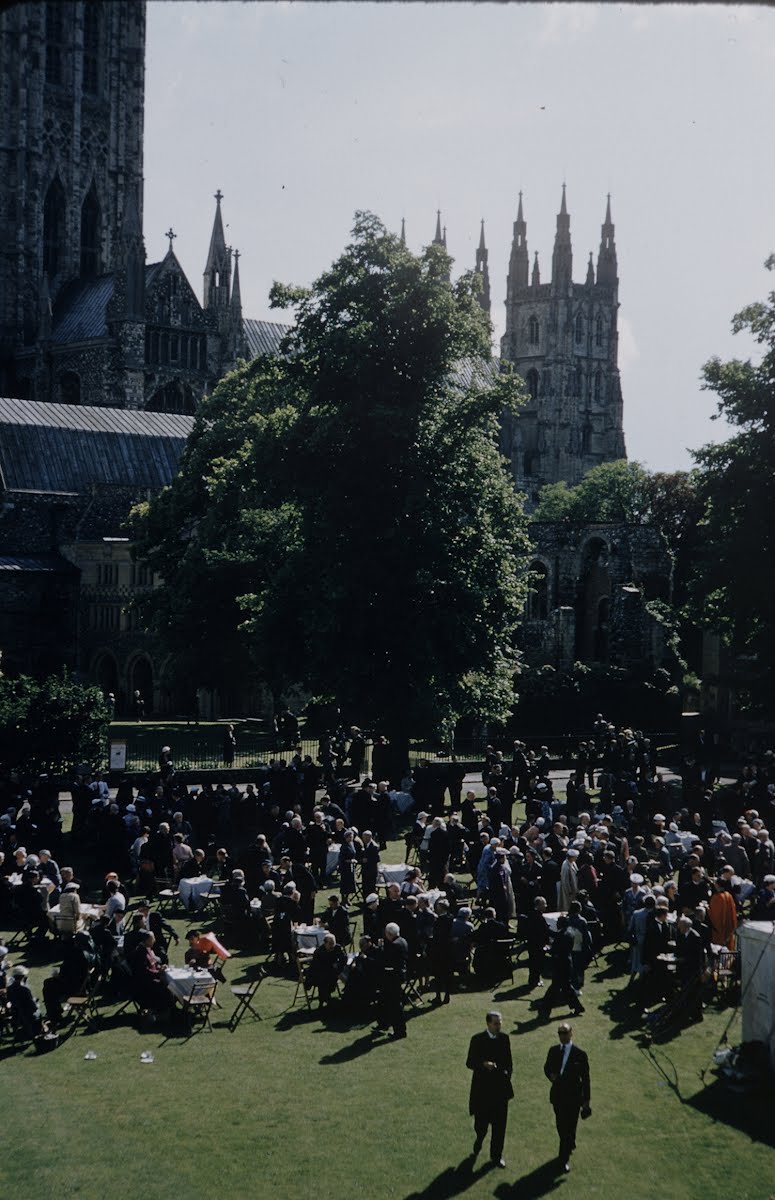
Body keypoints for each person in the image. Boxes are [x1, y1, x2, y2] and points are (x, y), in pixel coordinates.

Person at [466, 1010, 514, 1170]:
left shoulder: (505, 1039)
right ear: (488, 1023)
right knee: (481, 1124)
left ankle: (496, 1156)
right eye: (496, 1023)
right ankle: (479, 1138)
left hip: (500, 1090)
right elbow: (470, 1062)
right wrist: (483, 1064)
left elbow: (509, 1063)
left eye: (500, 1023)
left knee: (500, 1126)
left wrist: (504, 1072)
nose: (499, 1026)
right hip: (482, 1091)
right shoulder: (477, 1040)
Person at [543, 1022, 591, 1173]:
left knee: (569, 1126)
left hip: (574, 1097)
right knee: (561, 1125)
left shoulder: (580, 1054)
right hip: (558, 1096)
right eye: (560, 1033)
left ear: (571, 1033)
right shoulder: (553, 1050)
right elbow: (546, 1067)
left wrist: (586, 1101)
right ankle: (569, 1142)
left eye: (565, 1033)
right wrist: (551, 1075)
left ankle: (563, 1158)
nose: (562, 1036)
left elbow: (586, 1079)